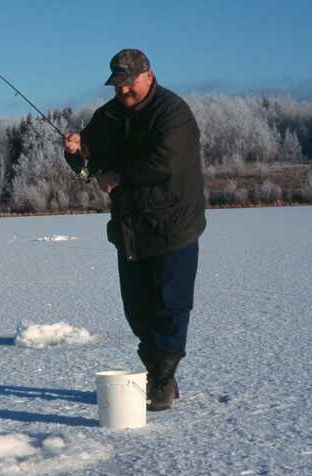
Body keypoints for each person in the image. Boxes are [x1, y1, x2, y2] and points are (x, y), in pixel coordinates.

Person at [63, 49, 206, 412]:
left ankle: (160, 381)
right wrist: (77, 153)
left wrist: (119, 176)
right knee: (138, 309)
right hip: (130, 229)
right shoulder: (108, 116)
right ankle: (159, 373)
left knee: (170, 307)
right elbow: (89, 163)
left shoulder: (172, 112)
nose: (124, 92)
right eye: (118, 86)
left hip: (174, 226)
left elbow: (165, 162)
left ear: (148, 75)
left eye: (130, 85)